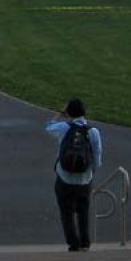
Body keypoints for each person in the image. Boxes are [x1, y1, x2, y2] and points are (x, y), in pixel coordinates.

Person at [45, 98, 104, 251]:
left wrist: (59, 113)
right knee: (83, 211)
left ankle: (73, 243)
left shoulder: (64, 128)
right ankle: (85, 242)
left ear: (69, 112)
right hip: (85, 179)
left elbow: (48, 127)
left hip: (64, 177)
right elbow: (97, 157)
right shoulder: (93, 132)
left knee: (66, 212)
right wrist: (91, 172)